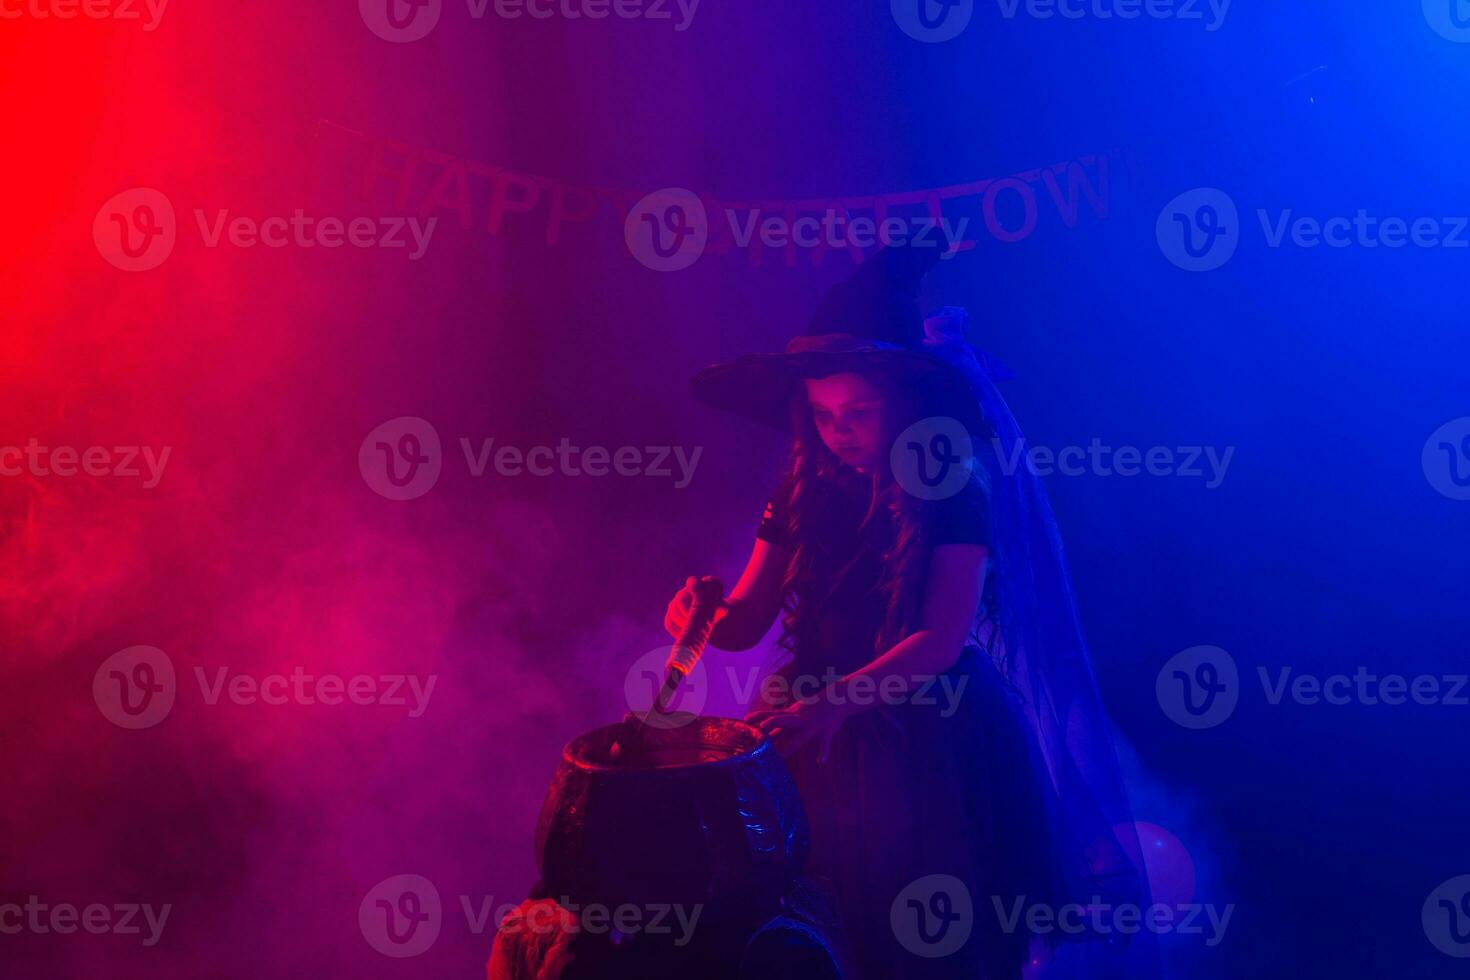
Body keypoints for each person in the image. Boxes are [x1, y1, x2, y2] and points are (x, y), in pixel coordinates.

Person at [665, 234, 1152, 978]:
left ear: (906, 402)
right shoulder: (800, 491)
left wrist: (836, 704)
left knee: (933, 932)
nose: (840, 433)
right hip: (817, 727)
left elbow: (940, 638)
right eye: (824, 414)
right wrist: (700, 617)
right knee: (827, 927)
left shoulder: (954, 488)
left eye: (858, 411)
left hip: (932, 730)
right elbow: (747, 619)